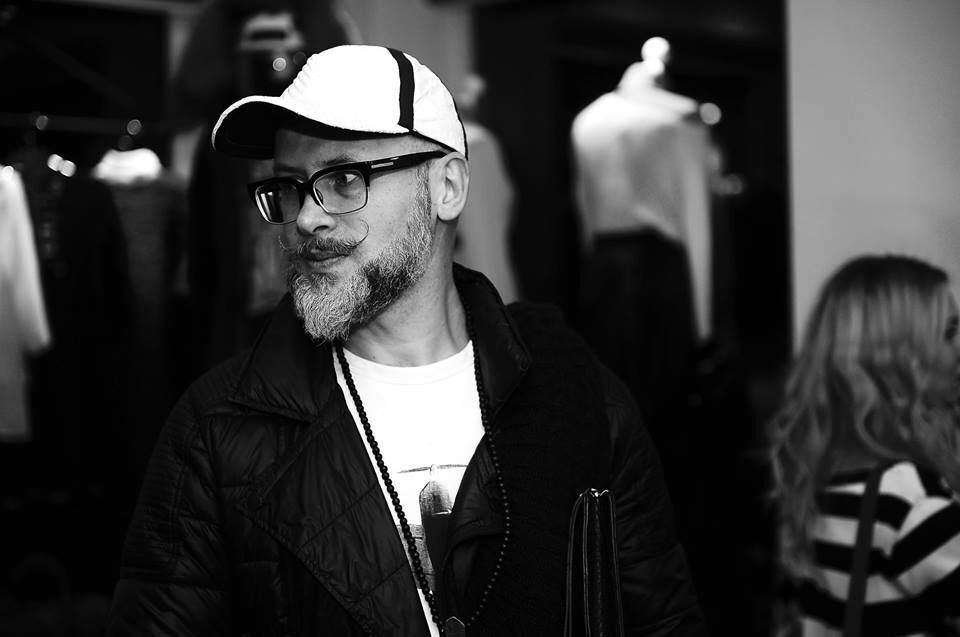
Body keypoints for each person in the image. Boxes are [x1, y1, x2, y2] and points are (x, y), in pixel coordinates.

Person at [106, 44, 705, 636]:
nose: (306, 218)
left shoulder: (579, 396)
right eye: (289, 187)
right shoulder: (215, 431)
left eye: (344, 178)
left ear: (448, 187)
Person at [769, 254, 960, 636]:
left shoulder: (820, 479)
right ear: (902, 357)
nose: (958, 348)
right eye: (948, 332)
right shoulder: (911, 503)